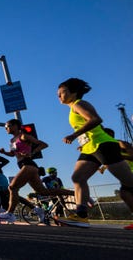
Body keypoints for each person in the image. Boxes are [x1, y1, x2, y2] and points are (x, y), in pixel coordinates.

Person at [56, 78, 133, 229]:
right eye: (57, 93)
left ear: (73, 92)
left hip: (102, 145)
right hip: (89, 147)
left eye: (62, 92)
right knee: (77, 178)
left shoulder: (78, 104)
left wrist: (73, 135)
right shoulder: (73, 107)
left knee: (128, 186)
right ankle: (81, 216)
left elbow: (96, 119)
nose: (59, 95)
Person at [0, 119, 74, 223]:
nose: (6, 129)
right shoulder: (12, 141)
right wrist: (4, 152)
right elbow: (13, 154)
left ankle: (9, 213)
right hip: (24, 166)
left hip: (28, 165)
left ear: (15, 126)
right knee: (43, 192)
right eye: (5, 127)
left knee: (12, 187)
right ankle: (76, 193)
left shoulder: (23, 136)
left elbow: (43, 144)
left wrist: (32, 152)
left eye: (8, 126)